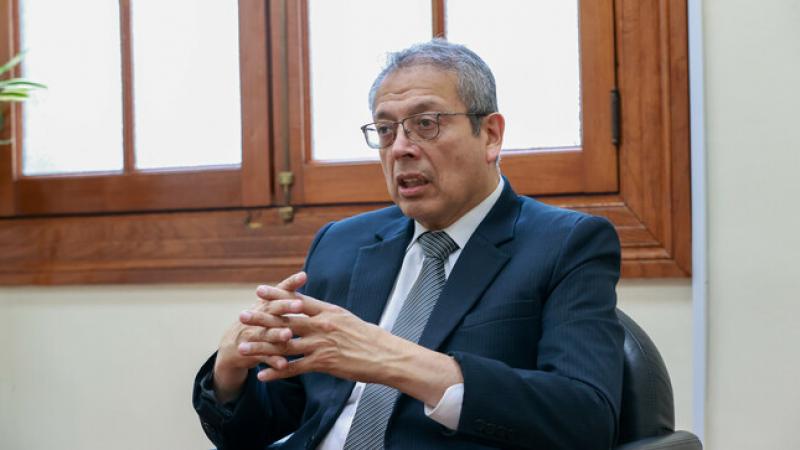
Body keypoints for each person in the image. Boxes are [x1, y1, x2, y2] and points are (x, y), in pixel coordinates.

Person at [193, 39, 624, 450]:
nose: (400, 148)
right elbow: (281, 420)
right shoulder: (341, 243)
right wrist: (230, 374)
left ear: (491, 135)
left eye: (426, 124)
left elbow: (586, 420)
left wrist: (393, 358)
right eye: (385, 129)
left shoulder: (566, 244)